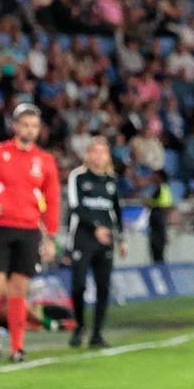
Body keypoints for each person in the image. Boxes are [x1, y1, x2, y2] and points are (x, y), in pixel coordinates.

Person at [0, 103, 60, 363]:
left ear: (39, 130)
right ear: (15, 126)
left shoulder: (46, 161)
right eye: (25, 124)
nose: (30, 129)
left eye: (34, 126)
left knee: (19, 289)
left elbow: (52, 201)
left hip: (29, 231)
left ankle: (17, 347)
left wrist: (50, 237)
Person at [66, 137, 127, 348]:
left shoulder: (111, 180)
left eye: (104, 152)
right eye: (96, 151)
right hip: (83, 237)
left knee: (104, 286)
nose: (99, 156)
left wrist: (121, 239)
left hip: (106, 240)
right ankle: (80, 325)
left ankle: (97, 333)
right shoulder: (78, 177)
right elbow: (75, 206)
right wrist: (95, 228)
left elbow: (116, 210)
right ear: (88, 154)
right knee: (78, 285)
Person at [146, 170, 173, 263]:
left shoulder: (160, 188)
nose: (153, 178)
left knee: (156, 246)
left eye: (155, 176)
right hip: (161, 216)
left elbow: (151, 202)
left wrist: (147, 202)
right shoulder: (166, 188)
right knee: (159, 245)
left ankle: (159, 267)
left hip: (158, 215)